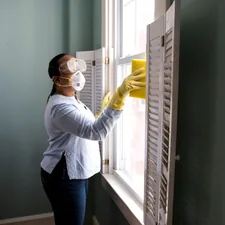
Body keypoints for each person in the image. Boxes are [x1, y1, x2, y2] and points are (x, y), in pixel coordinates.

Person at [40, 53, 145, 225]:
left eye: (77, 65)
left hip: (72, 172)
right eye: (70, 68)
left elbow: (82, 126)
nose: (77, 72)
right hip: (64, 174)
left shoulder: (72, 100)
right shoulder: (60, 107)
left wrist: (102, 112)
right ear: (56, 79)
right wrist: (119, 98)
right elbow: (96, 132)